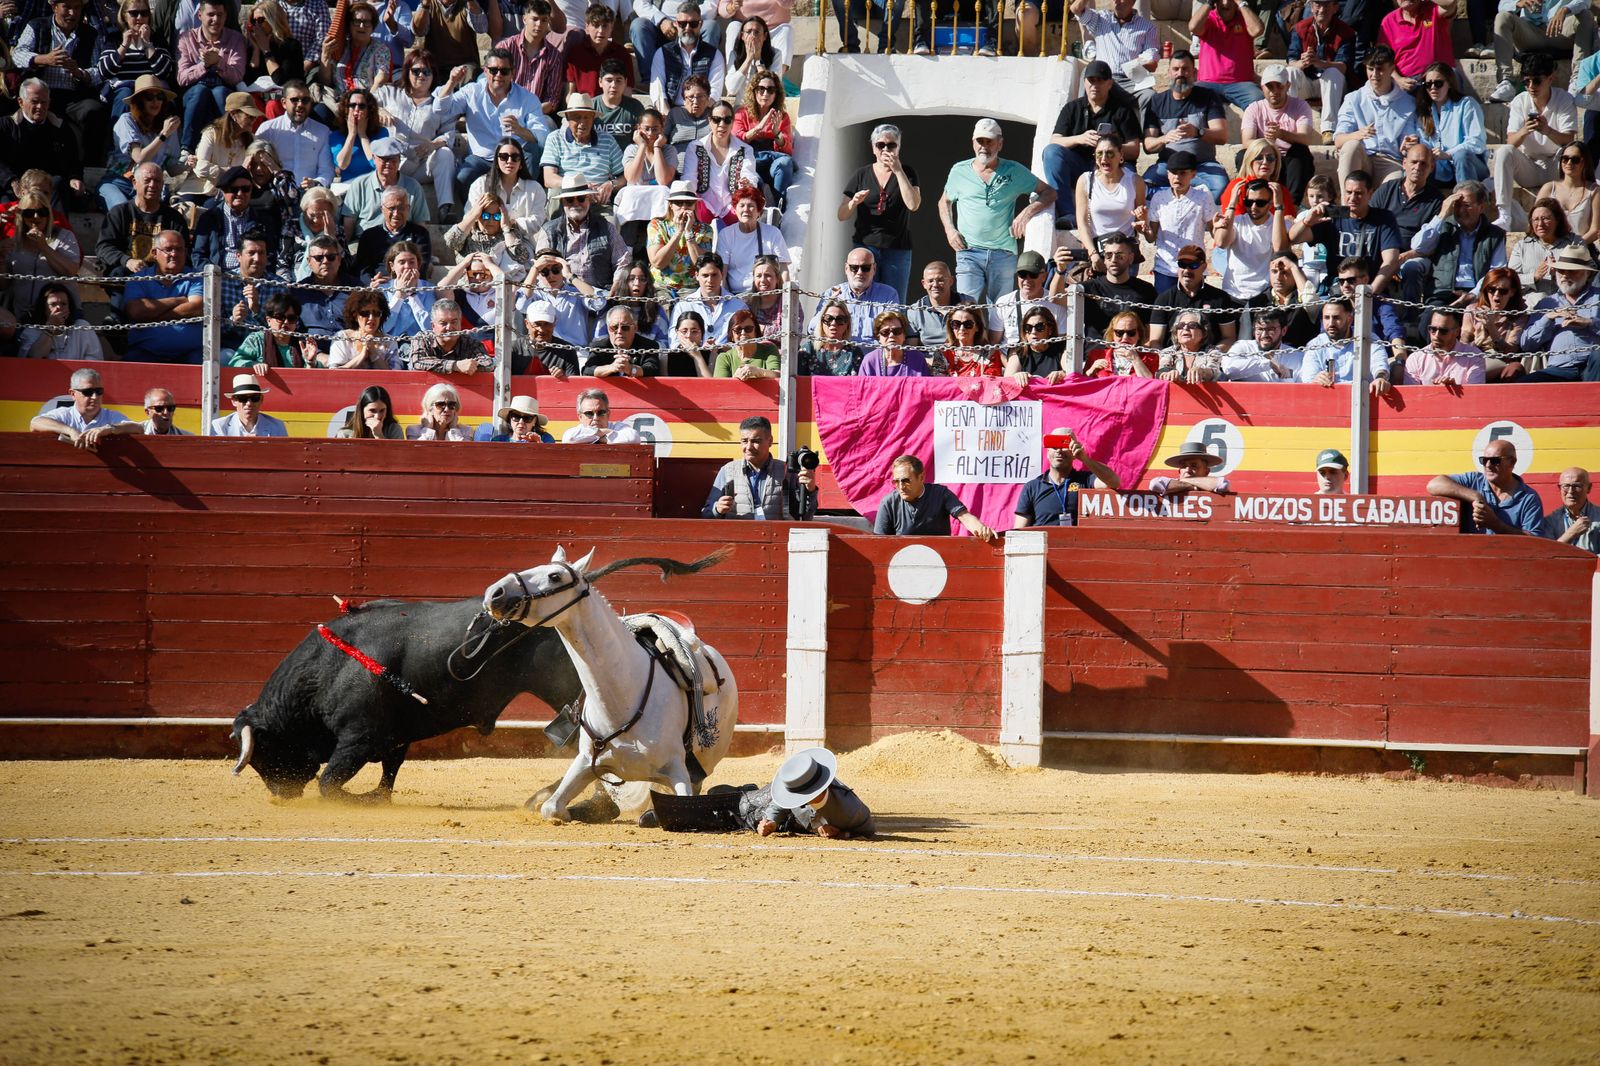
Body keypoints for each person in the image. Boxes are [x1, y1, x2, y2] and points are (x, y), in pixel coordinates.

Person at [939, 118, 1055, 303]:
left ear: (1000, 144)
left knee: (1000, 313)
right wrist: (950, 230)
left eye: (989, 141)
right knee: (966, 309)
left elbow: (1049, 192)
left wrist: (1026, 213)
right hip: (968, 251)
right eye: (980, 141)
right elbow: (944, 202)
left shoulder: (1014, 170)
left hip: (1003, 253)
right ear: (973, 143)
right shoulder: (959, 171)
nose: (984, 146)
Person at [443, 46, 551, 207]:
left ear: (512, 73)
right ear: (485, 71)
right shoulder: (472, 92)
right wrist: (451, 82)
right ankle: (480, 215)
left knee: (531, 152)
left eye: (504, 71)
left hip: (513, 157)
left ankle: (520, 207)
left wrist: (520, 130)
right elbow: (442, 110)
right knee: (463, 177)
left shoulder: (527, 98)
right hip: (482, 159)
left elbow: (542, 136)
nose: (498, 75)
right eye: (493, 70)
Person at [1042, 60, 1141, 230]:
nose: (1095, 85)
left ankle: (1129, 224)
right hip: (1080, 165)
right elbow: (1054, 141)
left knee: (1130, 175)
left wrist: (1111, 146)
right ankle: (1067, 214)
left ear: (1109, 83)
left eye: (1100, 80)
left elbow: (1135, 150)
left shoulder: (1122, 110)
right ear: (1085, 82)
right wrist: (1079, 138)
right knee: (1051, 153)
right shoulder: (1072, 108)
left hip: (1113, 164)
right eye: (1091, 80)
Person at [1492, 53, 1578, 233]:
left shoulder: (1564, 99)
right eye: (1526, 81)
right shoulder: (1519, 101)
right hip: (1529, 166)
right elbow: (1511, 141)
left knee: (1572, 152)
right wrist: (1525, 130)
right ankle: (1504, 214)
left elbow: (1569, 139)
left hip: (1557, 166)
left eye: (1537, 81)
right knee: (1504, 151)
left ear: (1550, 78)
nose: (1531, 87)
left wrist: (1547, 130)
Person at [839, 124, 920, 301]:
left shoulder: (907, 172)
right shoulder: (861, 174)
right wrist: (853, 202)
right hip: (866, 246)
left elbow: (913, 205)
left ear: (899, 147)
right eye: (880, 145)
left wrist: (898, 171)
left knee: (895, 302)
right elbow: (842, 214)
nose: (885, 149)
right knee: (861, 298)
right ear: (873, 148)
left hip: (897, 249)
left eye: (891, 145)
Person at [1289, 170, 1401, 298]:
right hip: (1337, 289)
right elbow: (1294, 238)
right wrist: (1306, 222)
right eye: (1349, 192)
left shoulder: (1383, 218)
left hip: (1371, 287)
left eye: (1358, 193)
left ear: (1370, 194)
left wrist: (1370, 292)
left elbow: (1391, 261)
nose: (1352, 198)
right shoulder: (1332, 217)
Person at [1140, 51, 1230, 201]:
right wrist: (1164, 139)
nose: (1180, 73)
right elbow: (1148, 146)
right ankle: (1180, 202)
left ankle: (1191, 207)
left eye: (1185, 69)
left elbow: (1222, 136)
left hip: (1202, 167)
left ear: (1194, 72)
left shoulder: (1208, 97)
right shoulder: (1156, 102)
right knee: (1143, 187)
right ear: (1169, 73)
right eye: (1175, 69)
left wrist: (1198, 132)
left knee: (1221, 187)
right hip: (1168, 167)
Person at [1409, 182, 1507, 310]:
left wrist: (1473, 294)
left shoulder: (1494, 234)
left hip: (1478, 293)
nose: (1461, 211)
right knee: (1428, 323)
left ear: (1481, 207)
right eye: (1457, 205)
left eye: (1467, 205)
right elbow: (1418, 246)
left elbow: (1496, 271)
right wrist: (1442, 214)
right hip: (1442, 292)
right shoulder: (1443, 226)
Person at [1333, 45, 1418, 187]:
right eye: (1370, 69)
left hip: (1391, 161)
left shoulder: (1408, 103)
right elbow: (1338, 140)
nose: (1374, 74)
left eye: (1380, 69)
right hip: (1363, 158)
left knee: (1394, 183)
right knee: (1350, 146)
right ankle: (1346, 206)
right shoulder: (1353, 99)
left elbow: (1407, 142)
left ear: (1392, 69)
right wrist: (1358, 135)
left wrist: (1407, 145)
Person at [701, 413, 815, 519]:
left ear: (770, 441)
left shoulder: (786, 472)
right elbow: (706, 513)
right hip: (738, 538)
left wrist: (810, 491)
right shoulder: (727, 470)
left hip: (774, 537)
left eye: (756, 441)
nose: (749, 447)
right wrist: (717, 509)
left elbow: (803, 517)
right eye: (744, 441)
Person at [1371, 142, 1445, 304]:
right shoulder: (1386, 190)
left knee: (1412, 267)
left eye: (1423, 163)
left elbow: (1433, 244)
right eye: (1414, 162)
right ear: (1404, 163)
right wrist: (1388, 258)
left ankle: (1411, 318)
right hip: (1383, 252)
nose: (1418, 167)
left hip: (1415, 256)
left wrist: (1403, 257)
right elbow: (1370, 224)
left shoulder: (1436, 200)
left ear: (1431, 168)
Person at [743, 747, 873, 839]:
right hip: (767, 798)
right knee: (738, 805)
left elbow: (868, 830)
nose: (794, 798)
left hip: (792, 823)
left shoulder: (850, 810)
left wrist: (843, 833)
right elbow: (778, 804)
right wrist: (772, 821)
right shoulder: (797, 783)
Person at [100, 74, 183, 212]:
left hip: (150, 187)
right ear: (139, 101)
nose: (155, 101)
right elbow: (139, 158)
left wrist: (191, 165)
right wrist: (163, 135)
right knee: (122, 210)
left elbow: (172, 169)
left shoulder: (168, 126)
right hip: (118, 182)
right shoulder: (126, 120)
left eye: (160, 97)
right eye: (149, 97)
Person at [1427, 438, 1546, 535]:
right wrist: (1475, 496)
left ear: (1512, 462)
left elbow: (1535, 541)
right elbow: (1433, 485)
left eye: (1495, 461)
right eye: (1484, 460)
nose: (1488, 465)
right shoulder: (1473, 481)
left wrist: (1496, 524)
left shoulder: (1529, 498)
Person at [536, 173, 631, 293]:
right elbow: (541, 268)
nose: (576, 204)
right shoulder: (549, 230)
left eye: (581, 199)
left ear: (589, 199)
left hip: (599, 296)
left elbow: (623, 261)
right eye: (570, 200)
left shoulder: (606, 227)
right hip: (563, 296)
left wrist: (615, 287)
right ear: (562, 202)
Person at [1518, 245, 1600, 381]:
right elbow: (1527, 344)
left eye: (1573, 271)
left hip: (1593, 365)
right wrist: (1548, 318)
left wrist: (1590, 322)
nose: (1565, 275)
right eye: (1561, 271)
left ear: (1588, 274)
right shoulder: (1546, 303)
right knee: (1524, 384)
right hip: (1560, 369)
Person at [1489, 0, 1594, 105]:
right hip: (1530, 32)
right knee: (1502, 17)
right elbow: (1502, 5)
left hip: (1560, 29)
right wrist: (1518, 3)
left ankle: (1578, 81)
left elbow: (1586, 1)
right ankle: (1506, 82)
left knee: (1586, 15)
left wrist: (1565, 9)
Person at [873, 454, 996, 541]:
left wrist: (981, 529)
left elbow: (964, 516)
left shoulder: (940, 494)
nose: (900, 487)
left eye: (906, 481)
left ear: (921, 478)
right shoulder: (888, 503)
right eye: (896, 482)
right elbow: (879, 543)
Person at [1, 81, 86, 208]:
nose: (40, 107)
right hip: (15, 187)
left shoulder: (60, 127)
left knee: (59, 184)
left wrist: (75, 177)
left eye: (44, 102)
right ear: (20, 102)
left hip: (49, 189)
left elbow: (73, 159)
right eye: (35, 102)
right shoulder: (5, 126)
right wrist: (11, 181)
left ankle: (56, 227)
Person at [1014, 427, 1120, 527]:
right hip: (1043, 545)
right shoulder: (1032, 487)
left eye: (1064, 445)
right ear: (1047, 452)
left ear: (1074, 452)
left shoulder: (1086, 481)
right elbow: (1018, 531)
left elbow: (1114, 482)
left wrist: (1084, 458)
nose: (1059, 451)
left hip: (1075, 544)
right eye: (1054, 445)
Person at [123, 229, 203, 363]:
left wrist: (153, 316)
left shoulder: (196, 277)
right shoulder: (138, 279)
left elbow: (197, 307)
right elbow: (136, 311)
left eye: (179, 249)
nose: (174, 254)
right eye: (168, 249)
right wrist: (178, 300)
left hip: (191, 354)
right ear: (154, 253)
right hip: (145, 352)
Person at [175, 0, 245, 151]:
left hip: (224, 87)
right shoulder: (186, 38)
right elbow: (182, 78)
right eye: (211, 15)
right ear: (200, 15)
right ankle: (187, 148)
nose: (216, 20)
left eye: (220, 15)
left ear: (226, 16)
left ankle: (227, 143)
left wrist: (219, 62)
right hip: (195, 90)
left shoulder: (235, 38)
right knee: (201, 91)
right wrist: (204, 65)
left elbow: (237, 75)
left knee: (219, 93)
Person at [1144, 151, 1217, 292]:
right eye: (1173, 172)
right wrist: (1144, 227)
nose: (1177, 177)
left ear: (1193, 174)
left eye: (1183, 173)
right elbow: (1151, 237)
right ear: (1167, 173)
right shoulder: (1158, 197)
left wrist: (1220, 227)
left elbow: (1214, 230)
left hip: (1193, 267)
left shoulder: (1202, 197)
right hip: (1165, 267)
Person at [97, 0, 176, 124]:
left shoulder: (156, 39)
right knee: (125, 96)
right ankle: (119, 140)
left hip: (151, 90)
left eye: (144, 13)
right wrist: (123, 47)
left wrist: (148, 45)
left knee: (158, 99)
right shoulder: (114, 39)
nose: (140, 18)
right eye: (134, 14)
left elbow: (164, 72)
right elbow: (104, 72)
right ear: (124, 16)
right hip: (124, 90)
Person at [4, 190, 83, 313]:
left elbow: (71, 271)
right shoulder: (14, 242)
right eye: (29, 213)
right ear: (21, 215)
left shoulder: (64, 236)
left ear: (49, 214)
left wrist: (44, 247)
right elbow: (3, 283)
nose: (36, 217)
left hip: (60, 314)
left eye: (42, 212)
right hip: (22, 314)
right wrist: (1, 258)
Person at [1075, 133, 1146, 268]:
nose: (1104, 158)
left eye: (1110, 153)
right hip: (1098, 253)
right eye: (1099, 154)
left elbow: (1141, 221)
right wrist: (1093, 254)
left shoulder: (1135, 181)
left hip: (1125, 254)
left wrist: (1142, 220)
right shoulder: (1085, 181)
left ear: (1121, 156)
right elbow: (1082, 223)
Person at [1285, 0, 1353, 142]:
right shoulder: (1300, 28)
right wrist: (1302, 63)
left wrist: (1320, 63)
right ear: (1311, 7)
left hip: (1333, 86)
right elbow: (1291, 60)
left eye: (1327, 5)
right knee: (1291, 72)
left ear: (1335, 7)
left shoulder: (1345, 31)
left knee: (1333, 73)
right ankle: (1289, 126)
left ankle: (1328, 128)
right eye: (1317, 4)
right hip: (1308, 83)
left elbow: (1343, 66)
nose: (1321, 9)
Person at [1069, 0, 1157, 107]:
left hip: (1132, 80)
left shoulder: (1147, 27)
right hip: (1104, 78)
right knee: (1088, 73)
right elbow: (1075, 9)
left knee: (1150, 96)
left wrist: (1139, 65)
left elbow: (1152, 62)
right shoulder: (1100, 19)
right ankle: (1082, 120)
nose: (1116, 1)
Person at [1214, 178, 1288, 305]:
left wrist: (1279, 207)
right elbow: (1221, 242)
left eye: (1260, 203)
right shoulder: (1237, 222)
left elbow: (1280, 249)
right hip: (1233, 293)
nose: (1253, 207)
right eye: (1248, 202)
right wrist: (1232, 204)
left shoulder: (1279, 224)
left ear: (1270, 203)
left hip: (1263, 295)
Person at [1148, 246, 1240, 349]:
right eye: (1182, 265)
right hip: (1173, 359)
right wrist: (1166, 360)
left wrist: (1213, 354)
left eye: (1193, 265)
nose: (1187, 270)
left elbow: (1229, 337)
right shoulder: (1164, 299)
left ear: (1204, 267)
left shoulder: (1220, 298)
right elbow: (1155, 341)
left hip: (1209, 360)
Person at [730, 68, 792, 213]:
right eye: (761, 89)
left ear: (776, 94)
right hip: (751, 159)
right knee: (753, 179)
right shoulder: (742, 113)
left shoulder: (781, 116)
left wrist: (777, 134)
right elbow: (736, 139)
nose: (765, 94)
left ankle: (778, 208)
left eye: (770, 90)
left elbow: (788, 150)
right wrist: (758, 128)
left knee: (785, 163)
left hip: (772, 159)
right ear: (754, 91)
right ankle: (764, 204)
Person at [30, 367, 137, 450]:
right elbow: (35, 422)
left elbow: (137, 428)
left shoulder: (111, 416)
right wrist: (70, 431)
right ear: (73, 394)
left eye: (99, 391)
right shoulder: (65, 414)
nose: (95, 397)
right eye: (88, 392)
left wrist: (110, 429)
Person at [807, 246, 896, 344]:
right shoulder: (831, 293)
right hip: (840, 355)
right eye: (854, 268)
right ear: (846, 269)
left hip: (873, 355)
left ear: (874, 269)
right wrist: (829, 306)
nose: (859, 273)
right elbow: (812, 329)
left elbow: (892, 333)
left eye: (865, 268)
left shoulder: (888, 294)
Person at [1414, 63, 1486, 184]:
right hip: (1441, 169)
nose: (1433, 88)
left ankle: (1466, 199)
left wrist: (1448, 154)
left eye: (1438, 84)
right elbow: (1425, 144)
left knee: (1461, 156)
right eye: (1428, 84)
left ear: (1449, 84)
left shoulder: (1466, 104)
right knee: (1415, 163)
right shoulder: (1424, 110)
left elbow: (1477, 142)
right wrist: (1410, 146)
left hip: (1469, 166)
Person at [1301, 298, 1393, 392]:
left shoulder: (1367, 338)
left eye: (1336, 318)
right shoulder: (1315, 344)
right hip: (1328, 399)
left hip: (1363, 398)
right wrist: (1316, 379)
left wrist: (1380, 378)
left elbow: (1380, 365)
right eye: (1327, 318)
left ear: (1349, 319)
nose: (1331, 323)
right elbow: (1308, 379)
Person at [1079, 231, 1157, 336]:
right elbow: (1057, 298)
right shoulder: (1089, 287)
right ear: (1104, 259)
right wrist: (1059, 271)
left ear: (1131, 258)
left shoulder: (1145, 290)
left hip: (1130, 349)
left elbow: (1149, 332)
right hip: (1096, 350)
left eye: (1119, 256)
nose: (1113, 260)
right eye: (1108, 255)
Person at [1189, 0, 1263, 108]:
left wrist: (1241, 3)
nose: (1225, 3)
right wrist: (1209, 2)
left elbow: (1257, 30)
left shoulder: (1244, 17)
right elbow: (1193, 27)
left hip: (1241, 84)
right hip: (1208, 83)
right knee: (1192, 99)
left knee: (1259, 101)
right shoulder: (1209, 18)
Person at [648, 0, 722, 108]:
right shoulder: (663, 53)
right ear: (676, 24)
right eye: (682, 24)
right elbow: (658, 91)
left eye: (693, 24)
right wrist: (668, 116)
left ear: (700, 24)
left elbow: (714, 93)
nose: (687, 28)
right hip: (671, 110)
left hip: (702, 111)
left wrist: (699, 114)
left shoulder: (714, 54)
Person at [714, 185, 785, 293]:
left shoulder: (773, 233)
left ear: (759, 211)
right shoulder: (726, 235)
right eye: (741, 205)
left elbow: (784, 269)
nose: (746, 210)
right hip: (736, 296)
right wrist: (726, 301)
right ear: (735, 209)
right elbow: (721, 274)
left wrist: (785, 297)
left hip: (766, 294)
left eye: (751, 206)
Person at [1463, 267, 1531, 379]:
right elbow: (1463, 346)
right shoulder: (1471, 310)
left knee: (1515, 368)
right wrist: (1481, 337)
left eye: (1503, 291)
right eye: (1492, 290)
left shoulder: (1520, 316)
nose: (1496, 296)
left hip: (1501, 362)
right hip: (1474, 358)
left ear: (1512, 292)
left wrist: (1491, 328)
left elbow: (1510, 352)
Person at [231, 291, 319, 372]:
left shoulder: (302, 345)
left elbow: (319, 377)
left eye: (291, 318)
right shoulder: (257, 340)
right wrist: (254, 364)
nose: (286, 322)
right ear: (268, 320)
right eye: (280, 317)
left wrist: (310, 362)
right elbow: (235, 363)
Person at [1378, 0, 1457, 89]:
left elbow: (1451, 3)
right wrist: (1398, 79)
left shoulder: (1433, 9)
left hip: (1442, 76)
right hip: (1409, 82)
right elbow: (1383, 58)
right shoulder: (1389, 21)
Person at [1510, 199, 1580, 298]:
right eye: (1536, 219)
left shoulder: (1574, 242)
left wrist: (1561, 273)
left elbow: (1590, 274)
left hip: (1568, 301)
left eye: (1545, 218)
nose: (1540, 224)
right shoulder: (1521, 247)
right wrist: (1534, 276)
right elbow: (1510, 280)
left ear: (1557, 219)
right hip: (1532, 305)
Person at [321, 0, 393, 96]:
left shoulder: (381, 49)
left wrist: (364, 102)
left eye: (367, 22)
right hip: (337, 100)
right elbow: (325, 83)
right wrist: (325, 56)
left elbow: (380, 80)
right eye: (357, 21)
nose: (362, 26)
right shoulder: (339, 46)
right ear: (349, 25)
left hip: (365, 101)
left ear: (373, 27)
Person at [405, 297, 494, 374]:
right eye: (443, 323)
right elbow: (417, 362)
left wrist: (470, 365)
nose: (449, 327)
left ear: (460, 323)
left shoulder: (470, 342)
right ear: (433, 326)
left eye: (454, 322)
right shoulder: (422, 338)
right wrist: (455, 366)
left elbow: (488, 364)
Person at [1534, 144, 1600, 247]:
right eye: (1565, 159)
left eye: (1575, 160)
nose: (1569, 163)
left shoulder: (1595, 191)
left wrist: (1573, 247)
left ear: (1584, 163)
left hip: (1580, 250)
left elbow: (1595, 229)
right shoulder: (1548, 188)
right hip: (1550, 248)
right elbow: (1535, 221)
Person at [1401, 308, 1486, 384]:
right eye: (1433, 329)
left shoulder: (1474, 357)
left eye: (1443, 331)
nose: (1436, 335)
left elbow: (1474, 395)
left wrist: (1455, 390)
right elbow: (1412, 397)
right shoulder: (1416, 359)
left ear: (1457, 332)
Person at [18, 282, 100, 360]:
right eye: (53, 304)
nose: (59, 308)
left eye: (63, 304)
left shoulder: (82, 327)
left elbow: (94, 359)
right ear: (44, 308)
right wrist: (50, 329)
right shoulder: (31, 331)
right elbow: (33, 360)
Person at [905, 261, 975, 351]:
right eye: (930, 281)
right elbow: (912, 350)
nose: (935, 285)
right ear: (924, 284)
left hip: (962, 358)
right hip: (928, 361)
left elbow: (980, 338)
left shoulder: (968, 302)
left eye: (940, 280)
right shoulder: (914, 311)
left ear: (951, 281)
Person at [412, 0, 490, 80]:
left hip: (465, 68)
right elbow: (418, 31)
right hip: (435, 68)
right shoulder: (429, 4)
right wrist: (425, 6)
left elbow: (481, 28)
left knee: (477, 76)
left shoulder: (467, 4)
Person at [1221, 306, 1303, 381]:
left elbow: (1302, 380)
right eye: (1260, 329)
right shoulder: (1243, 347)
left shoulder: (1296, 355)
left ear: (1284, 331)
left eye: (1271, 329)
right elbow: (1229, 370)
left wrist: (1288, 373)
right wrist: (1269, 364)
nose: (1264, 335)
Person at [242, 0, 305, 91]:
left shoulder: (290, 45)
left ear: (273, 21)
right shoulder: (253, 46)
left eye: (260, 20)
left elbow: (281, 81)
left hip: (282, 99)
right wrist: (256, 50)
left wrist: (266, 50)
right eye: (253, 21)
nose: (256, 25)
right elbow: (248, 80)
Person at [586, 303, 662, 376]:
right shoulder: (598, 347)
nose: (619, 331)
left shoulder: (649, 346)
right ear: (608, 329)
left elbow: (652, 369)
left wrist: (630, 369)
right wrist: (611, 367)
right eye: (614, 327)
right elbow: (587, 371)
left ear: (635, 328)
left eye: (625, 327)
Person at [507, 302, 579, 375]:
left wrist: (564, 378)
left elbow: (575, 383)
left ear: (554, 323)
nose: (541, 329)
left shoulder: (567, 351)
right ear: (526, 323)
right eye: (537, 324)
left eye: (547, 324)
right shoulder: (513, 349)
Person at [1003, 304, 1068, 384]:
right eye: (1028, 327)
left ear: (1050, 329)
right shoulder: (1018, 350)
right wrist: (1017, 376)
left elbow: (1070, 374)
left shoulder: (1062, 348)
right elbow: (1006, 382)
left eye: (1040, 327)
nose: (1033, 332)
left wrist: (1062, 374)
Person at [1156, 308, 1222, 383]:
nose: (1185, 328)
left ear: (1204, 333)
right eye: (1181, 325)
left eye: (1192, 325)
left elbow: (1213, 371)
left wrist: (1202, 371)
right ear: (1176, 333)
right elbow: (1163, 369)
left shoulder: (1212, 351)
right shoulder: (1168, 352)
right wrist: (1168, 374)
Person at [797, 299, 861, 376]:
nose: (833, 323)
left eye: (840, 319)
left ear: (847, 324)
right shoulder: (808, 350)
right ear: (821, 322)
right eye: (828, 318)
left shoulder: (854, 353)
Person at [211, 373, 289, 437]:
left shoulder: (277, 426)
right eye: (243, 398)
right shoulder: (219, 426)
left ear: (261, 400)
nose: (249, 403)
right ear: (234, 401)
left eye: (254, 398)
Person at [1086, 310, 1157, 377]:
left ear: (1139, 335)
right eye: (1119, 333)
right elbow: (1081, 383)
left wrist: (1135, 359)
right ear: (1112, 334)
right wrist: (1091, 370)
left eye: (1131, 333)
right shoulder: (1096, 355)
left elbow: (1151, 385)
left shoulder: (1151, 358)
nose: (1125, 337)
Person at [1544, 467, 1599, 553]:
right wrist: (1571, 533)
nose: (1570, 491)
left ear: (1589, 488)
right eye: (1566, 486)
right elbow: (1547, 556)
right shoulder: (1550, 521)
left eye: (1577, 486)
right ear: (1559, 488)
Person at [858, 309, 927, 377]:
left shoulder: (917, 359)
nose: (891, 335)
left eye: (897, 331)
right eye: (885, 332)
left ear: (904, 335)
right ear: (878, 337)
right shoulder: (870, 361)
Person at [562, 387, 644, 442]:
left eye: (601, 413)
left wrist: (599, 438)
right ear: (580, 417)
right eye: (589, 413)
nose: (595, 418)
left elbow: (634, 437)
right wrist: (604, 432)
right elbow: (568, 438)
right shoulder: (577, 431)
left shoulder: (617, 427)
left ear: (608, 414)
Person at [1149, 441, 1231, 496]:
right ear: (1179, 471)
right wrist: (1193, 486)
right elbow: (1155, 484)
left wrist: (1186, 481)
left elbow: (1223, 485)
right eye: (1183, 466)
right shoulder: (1173, 483)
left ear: (1206, 471)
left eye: (1194, 466)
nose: (1187, 470)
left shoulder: (1211, 482)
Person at [408, 381, 474, 440]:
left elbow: (463, 452)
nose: (446, 409)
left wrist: (453, 429)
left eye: (451, 404)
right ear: (430, 408)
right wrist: (428, 430)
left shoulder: (466, 431)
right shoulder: (414, 431)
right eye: (440, 404)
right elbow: (418, 452)